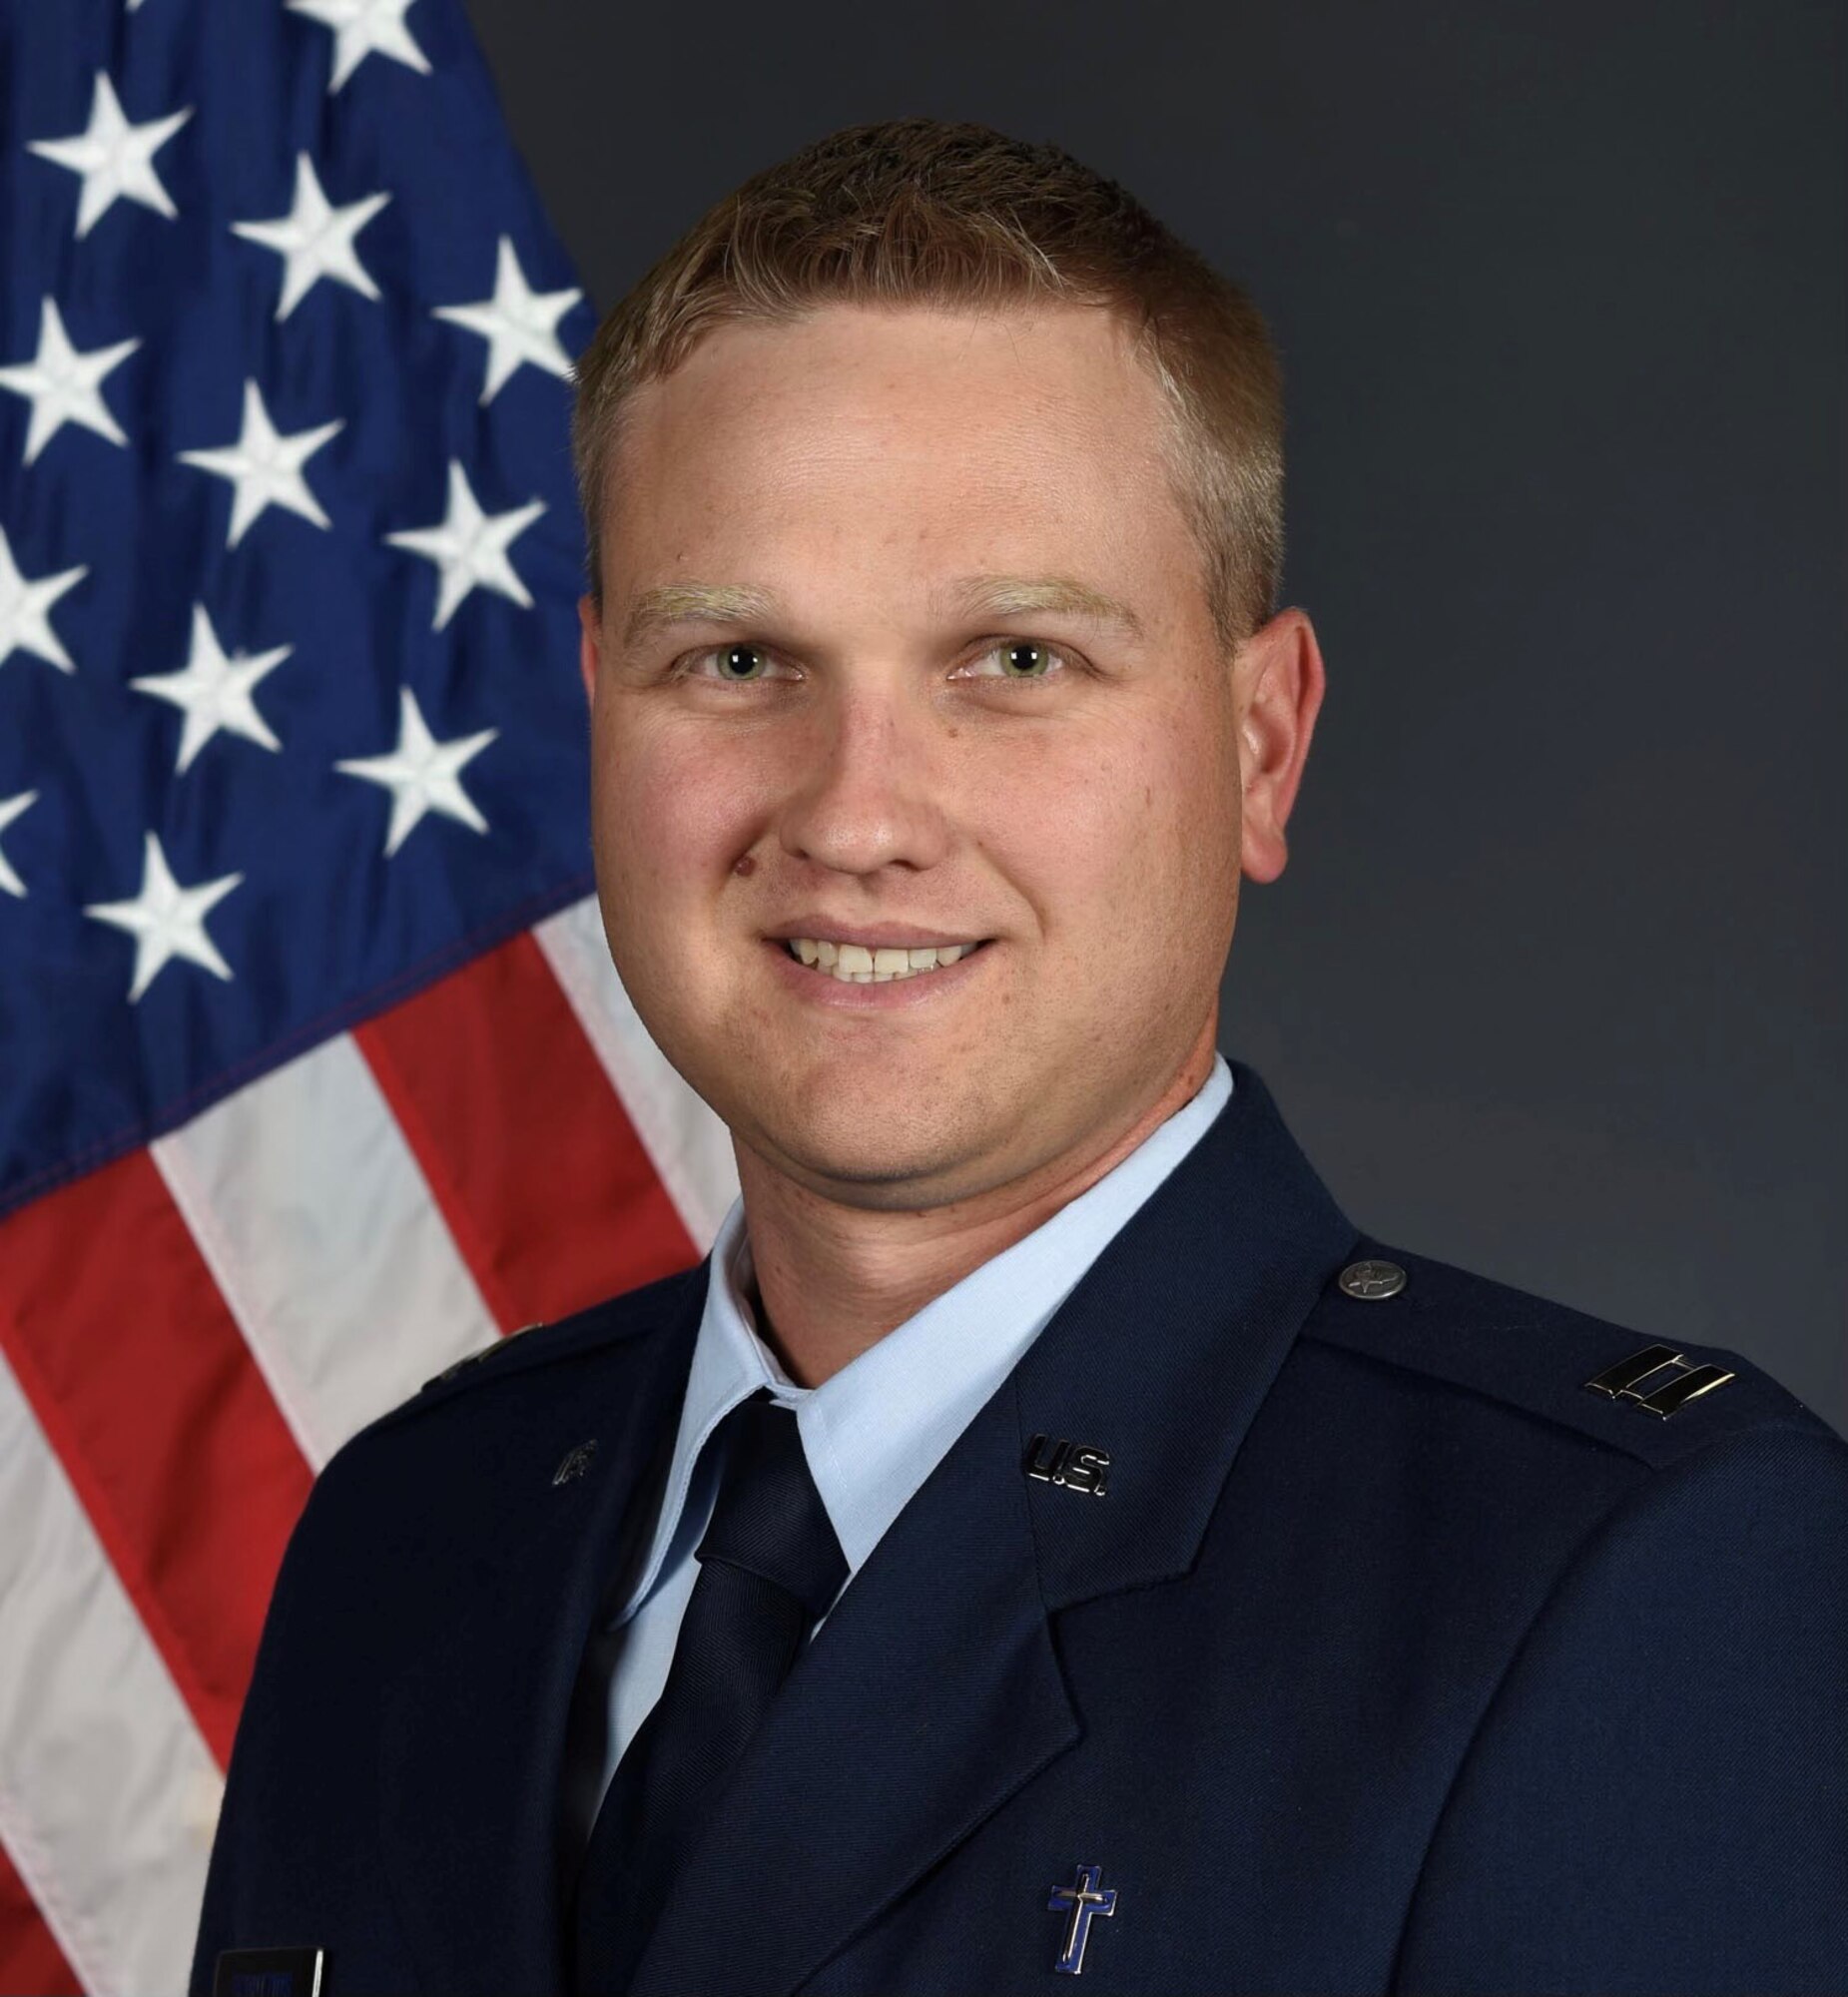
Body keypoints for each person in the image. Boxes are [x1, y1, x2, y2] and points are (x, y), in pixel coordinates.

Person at [191, 118, 1848, 1997]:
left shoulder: (1618, 1585)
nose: (857, 816)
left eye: (1018, 660)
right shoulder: (411, 1542)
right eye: (736, 664)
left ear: (1258, 747)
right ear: (599, 707)